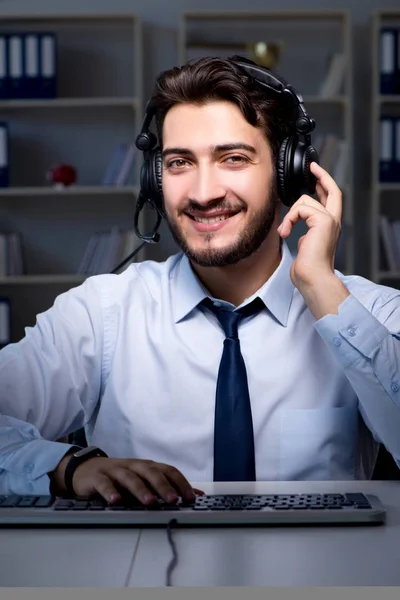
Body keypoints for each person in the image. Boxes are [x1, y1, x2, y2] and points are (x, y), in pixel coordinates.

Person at [0, 56, 399, 507]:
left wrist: (324, 290)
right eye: (179, 163)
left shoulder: (368, 312)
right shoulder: (100, 315)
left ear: (288, 174)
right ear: (156, 179)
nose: (203, 192)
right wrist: (68, 467)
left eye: (233, 158)